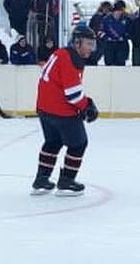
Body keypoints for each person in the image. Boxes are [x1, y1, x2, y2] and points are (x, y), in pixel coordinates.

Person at [33, 26, 98, 196]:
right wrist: (87, 106)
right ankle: (67, 181)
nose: (91, 48)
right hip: (61, 110)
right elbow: (73, 94)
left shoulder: (61, 53)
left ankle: (41, 180)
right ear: (77, 43)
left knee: (53, 142)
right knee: (78, 144)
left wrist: (84, 104)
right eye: (88, 43)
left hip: (44, 109)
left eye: (93, 44)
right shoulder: (70, 59)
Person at [99, 1, 130, 66]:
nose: (119, 13)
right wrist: (107, 38)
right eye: (117, 11)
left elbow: (129, 31)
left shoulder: (126, 20)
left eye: (120, 11)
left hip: (121, 45)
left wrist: (124, 37)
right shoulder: (106, 20)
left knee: (120, 64)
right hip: (109, 45)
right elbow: (100, 32)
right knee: (109, 64)